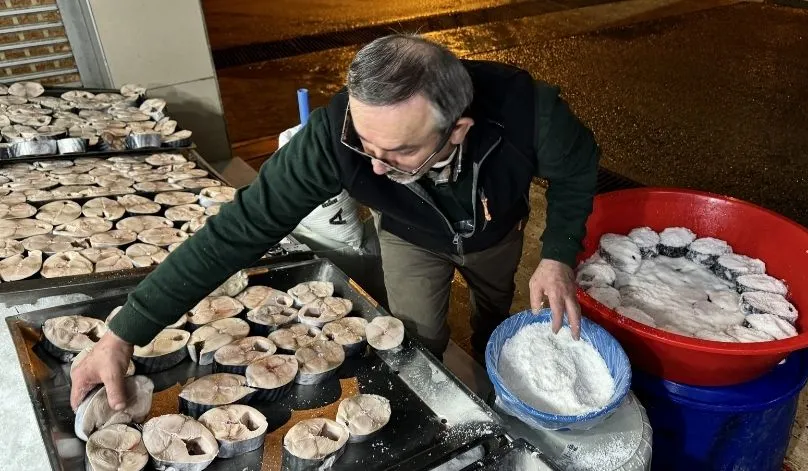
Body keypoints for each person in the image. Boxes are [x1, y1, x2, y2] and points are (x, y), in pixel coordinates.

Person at [70, 34, 600, 411]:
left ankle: (493, 354)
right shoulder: (333, 136)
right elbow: (239, 229)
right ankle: (444, 396)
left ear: (456, 130)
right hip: (409, 233)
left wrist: (556, 254)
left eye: (396, 151)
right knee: (418, 335)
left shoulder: (532, 113)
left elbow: (578, 172)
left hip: (493, 229)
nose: (371, 166)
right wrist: (122, 333)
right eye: (364, 142)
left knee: (496, 302)